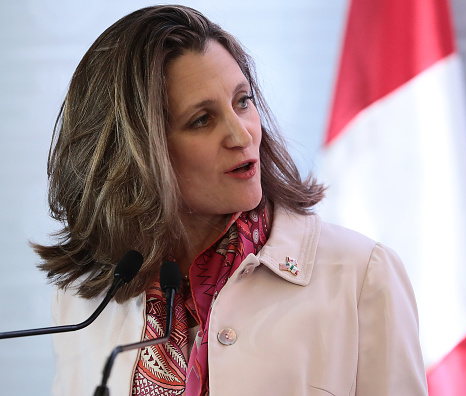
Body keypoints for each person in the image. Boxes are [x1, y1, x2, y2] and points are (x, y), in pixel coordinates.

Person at [33, 5, 427, 396]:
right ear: (135, 154)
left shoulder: (362, 275)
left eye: (243, 101)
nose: (242, 135)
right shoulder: (81, 297)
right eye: (201, 119)